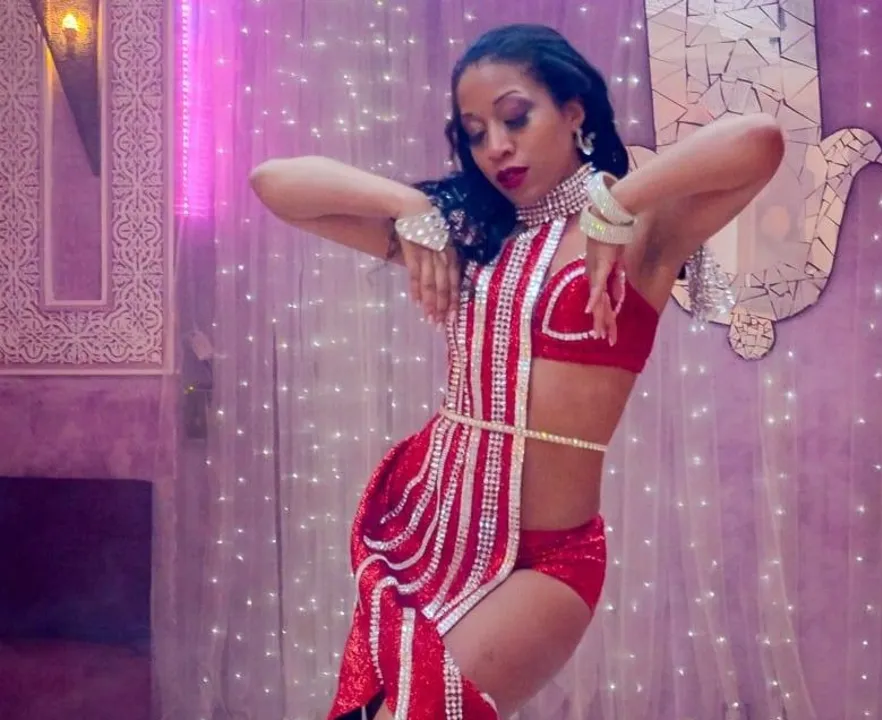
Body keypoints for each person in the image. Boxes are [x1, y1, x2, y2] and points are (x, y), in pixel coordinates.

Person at [250, 23, 784, 720]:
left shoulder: (642, 237)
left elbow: (759, 140)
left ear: (573, 110)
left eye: (515, 118)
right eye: (475, 133)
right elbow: (274, 184)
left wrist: (618, 203)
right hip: (430, 536)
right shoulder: (467, 237)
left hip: (547, 560)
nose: (495, 146)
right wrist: (411, 206)